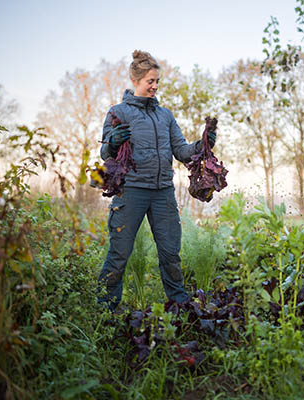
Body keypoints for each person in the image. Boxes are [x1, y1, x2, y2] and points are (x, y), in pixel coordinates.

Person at [97, 50, 216, 312]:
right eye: (151, 80)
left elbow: (182, 151)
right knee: (119, 255)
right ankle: (105, 311)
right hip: (131, 192)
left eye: (157, 81)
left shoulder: (165, 116)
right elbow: (105, 152)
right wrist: (114, 142)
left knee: (170, 254)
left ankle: (180, 307)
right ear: (136, 79)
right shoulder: (119, 112)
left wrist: (202, 144)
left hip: (163, 192)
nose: (155, 86)